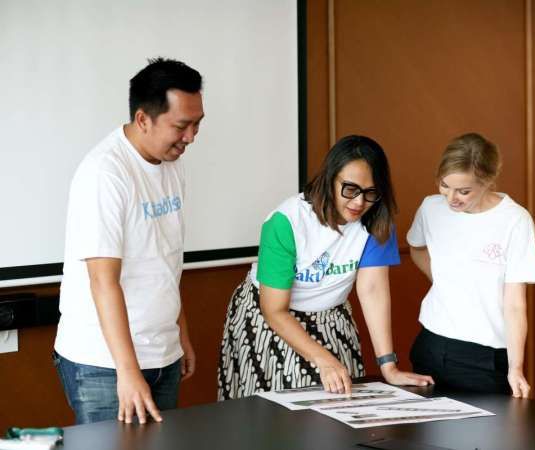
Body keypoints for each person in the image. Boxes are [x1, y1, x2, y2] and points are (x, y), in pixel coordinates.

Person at [218, 135, 433, 399]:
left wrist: (388, 366)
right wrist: (323, 359)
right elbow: (274, 310)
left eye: (370, 193)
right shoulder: (286, 221)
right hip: (271, 315)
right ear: (330, 178)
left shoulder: (376, 221)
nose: (358, 203)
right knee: (280, 406)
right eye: (350, 189)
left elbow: (373, 290)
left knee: (342, 393)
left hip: (331, 314)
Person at [53, 58, 205, 424]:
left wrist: (178, 332)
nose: (191, 137)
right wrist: (128, 371)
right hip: (104, 365)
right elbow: (102, 281)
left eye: (197, 124)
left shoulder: (172, 164)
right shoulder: (105, 174)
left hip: (162, 352)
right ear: (143, 119)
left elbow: (165, 260)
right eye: (182, 126)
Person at [407, 133, 535, 397]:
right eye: (444, 186)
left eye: (464, 191)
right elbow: (417, 247)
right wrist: (444, 280)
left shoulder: (515, 221)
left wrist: (516, 367)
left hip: (483, 359)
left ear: (487, 182)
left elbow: (515, 304)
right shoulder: (431, 208)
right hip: (431, 345)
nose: (451, 198)